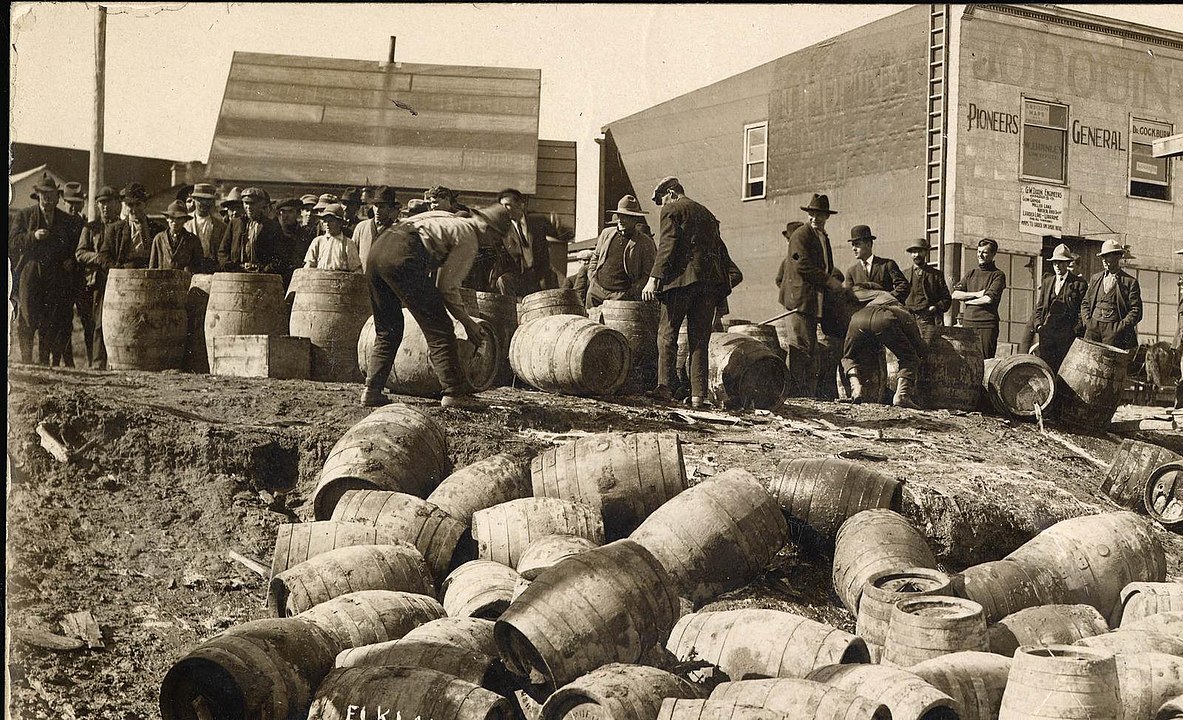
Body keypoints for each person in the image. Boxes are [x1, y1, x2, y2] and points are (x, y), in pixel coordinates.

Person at [361, 204, 511, 409]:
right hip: (402, 257)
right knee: (440, 329)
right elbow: (446, 287)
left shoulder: (446, 218)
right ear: (487, 228)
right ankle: (454, 392)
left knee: (388, 329)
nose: (493, 244)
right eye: (496, 238)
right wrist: (467, 323)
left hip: (377, 252)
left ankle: (372, 390)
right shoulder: (468, 238)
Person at [641, 177, 730, 409]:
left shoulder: (673, 209)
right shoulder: (708, 214)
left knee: (667, 334)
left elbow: (667, 245)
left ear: (670, 193)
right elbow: (720, 252)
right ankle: (698, 395)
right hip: (708, 286)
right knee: (699, 340)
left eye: (661, 200)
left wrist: (653, 279)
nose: (662, 206)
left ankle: (665, 388)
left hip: (680, 284)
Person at [777, 193, 849, 398]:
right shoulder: (801, 235)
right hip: (799, 299)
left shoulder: (823, 237)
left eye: (819, 215)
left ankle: (807, 392)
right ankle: (797, 394)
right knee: (800, 346)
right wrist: (829, 281)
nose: (814, 218)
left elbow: (827, 266)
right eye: (811, 214)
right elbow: (802, 265)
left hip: (813, 300)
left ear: (827, 217)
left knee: (810, 346)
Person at [9, 174, 82, 365]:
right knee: (27, 318)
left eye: (51, 196)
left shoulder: (66, 220)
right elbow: (12, 243)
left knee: (49, 320)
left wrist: (70, 260)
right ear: (38, 196)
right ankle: (26, 360)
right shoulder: (24, 216)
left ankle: (43, 361)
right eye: (44, 195)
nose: (47, 200)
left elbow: (75, 247)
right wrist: (33, 236)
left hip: (55, 277)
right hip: (30, 274)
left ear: (58, 198)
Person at [75, 185, 145, 369]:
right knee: (99, 322)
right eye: (101, 203)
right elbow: (82, 253)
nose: (105, 207)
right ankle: (97, 362)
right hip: (101, 279)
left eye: (109, 203)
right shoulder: (92, 228)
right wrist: (101, 260)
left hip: (134, 281)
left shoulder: (125, 226)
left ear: (117, 204)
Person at [841, 287, 925, 409]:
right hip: (884, 319)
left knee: (848, 356)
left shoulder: (873, 296)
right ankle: (901, 396)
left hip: (858, 318)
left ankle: (856, 386)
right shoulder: (905, 312)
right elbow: (918, 345)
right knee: (910, 358)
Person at [585, 194, 655, 309]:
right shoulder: (606, 233)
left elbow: (648, 273)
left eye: (626, 217)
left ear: (634, 219)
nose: (621, 220)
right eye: (619, 215)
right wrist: (592, 278)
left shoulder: (644, 242)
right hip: (596, 292)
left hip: (620, 297)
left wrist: (630, 293)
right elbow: (595, 257)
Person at [1030, 243, 1087, 371]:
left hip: (1066, 337)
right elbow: (1039, 308)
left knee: (1063, 371)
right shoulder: (1047, 282)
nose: (1058, 266)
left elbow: (1082, 312)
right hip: (1047, 335)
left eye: (1061, 263)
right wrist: (1039, 326)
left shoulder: (1079, 284)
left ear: (1067, 264)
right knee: (1046, 370)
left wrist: (1074, 331)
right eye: (1055, 263)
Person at [1080, 239, 1142, 351]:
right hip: (1093, 330)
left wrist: (1120, 327)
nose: (1104, 260)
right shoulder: (1095, 278)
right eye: (1103, 257)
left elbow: (1136, 310)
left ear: (1118, 257)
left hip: (1115, 333)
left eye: (1108, 256)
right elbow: (1085, 303)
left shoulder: (1130, 282)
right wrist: (1088, 322)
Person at [497, 188, 560, 295]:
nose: (504, 209)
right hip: (519, 276)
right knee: (503, 280)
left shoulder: (537, 221)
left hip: (539, 275)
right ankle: (511, 310)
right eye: (501, 206)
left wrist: (558, 227)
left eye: (507, 205)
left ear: (520, 204)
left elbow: (558, 234)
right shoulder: (503, 229)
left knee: (550, 279)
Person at [952, 238, 1006, 359]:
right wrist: (977, 294)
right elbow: (955, 295)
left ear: (993, 254)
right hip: (968, 323)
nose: (980, 255)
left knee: (985, 361)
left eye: (984, 252)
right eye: (978, 251)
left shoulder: (998, 275)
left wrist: (967, 300)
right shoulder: (971, 273)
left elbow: (988, 299)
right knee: (966, 360)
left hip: (986, 325)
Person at [60, 182, 91, 367]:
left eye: (77, 203)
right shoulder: (57, 223)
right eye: (69, 203)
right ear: (63, 202)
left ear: (82, 204)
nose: (73, 207)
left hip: (82, 279)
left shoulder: (86, 224)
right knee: (64, 322)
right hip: (63, 279)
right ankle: (68, 362)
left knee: (87, 320)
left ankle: (92, 363)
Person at [218, 187, 285, 273]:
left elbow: (280, 256)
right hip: (236, 276)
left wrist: (263, 269)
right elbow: (222, 252)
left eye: (253, 203)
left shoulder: (271, 226)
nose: (249, 207)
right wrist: (232, 268)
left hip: (262, 277)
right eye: (246, 203)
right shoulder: (235, 224)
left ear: (261, 205)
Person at [844, 225, 908, 301]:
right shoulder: (851, 272)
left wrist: (886, 298)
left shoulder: (887, 265)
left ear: (868, 244)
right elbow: (848, 297)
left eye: (857, 244)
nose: (853, 248)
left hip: (885, 310)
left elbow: (903, 285)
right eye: (852, 245)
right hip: (862, 311)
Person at [902, 238, 952, 328]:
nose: (916, 255)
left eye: (920, 251)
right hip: (908, 318)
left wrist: (935, 307)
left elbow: (947, 299)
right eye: (914, 252)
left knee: (928, 342)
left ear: (926, 252)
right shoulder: (904, 274)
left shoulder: (936, 275)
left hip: (929, 319)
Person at [353, 186, 400, 274]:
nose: (377, 210)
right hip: (362, 279)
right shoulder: (361, 227)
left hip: (383, 282)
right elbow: (352, 255)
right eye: (376, 206)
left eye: (382, 207)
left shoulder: (397, 231)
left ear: (390, 208)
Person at [304, 204, 362, 272]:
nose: (327, 224)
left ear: (339, 223)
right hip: (320, 280)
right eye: (325, 221)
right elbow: (309, 265)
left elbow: (356, 269)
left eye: (331, 221)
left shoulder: (348, 243)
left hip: (340, 281)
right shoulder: (317, 241)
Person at [149, 201, 204, 273]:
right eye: (172, 218)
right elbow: (152, 266)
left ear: (185, 220)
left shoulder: (193, 240)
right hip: (162, 281)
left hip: (185, 281)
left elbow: (198, 266)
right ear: (167, 219)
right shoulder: (159, 239)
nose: (175, 222)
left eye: (179, 218)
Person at [185, 183, 226, 273]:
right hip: (190, 269)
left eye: (208, 200)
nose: (204, 204)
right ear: (194, 200)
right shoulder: (185, 223)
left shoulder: (220, 226)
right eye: (200, 200)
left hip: (211, 269)